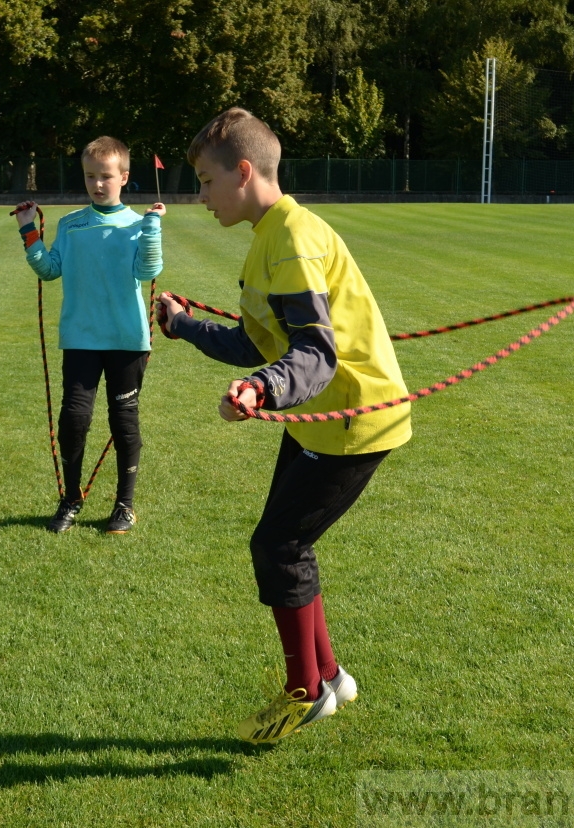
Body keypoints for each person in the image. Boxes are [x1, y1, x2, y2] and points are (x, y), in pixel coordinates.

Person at [156, 108, 412, 743]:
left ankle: (306, 692)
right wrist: (184, 325)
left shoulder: (294, 238)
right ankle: (329, 678)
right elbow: (254, 341)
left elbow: (314, 354)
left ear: (244, 172)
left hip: (352, 421)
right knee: (286, 545)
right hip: (313, 424)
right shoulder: (270, 235)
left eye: (207, 180)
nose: (201, 195)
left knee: (278, 547)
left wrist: (263, 388)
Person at [14, 136, 165, 534]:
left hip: (127, 339)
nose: (98, 184)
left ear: (124, 177)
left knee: (124, 422)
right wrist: (28, 230)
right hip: (81, 338)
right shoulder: (71, 225)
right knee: (74, 420)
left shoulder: (137, 223)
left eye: (106, 176)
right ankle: (71, 498)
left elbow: (148, 270)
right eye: (90, 176)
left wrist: (151, 227)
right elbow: (49, 269)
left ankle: (124, 506)